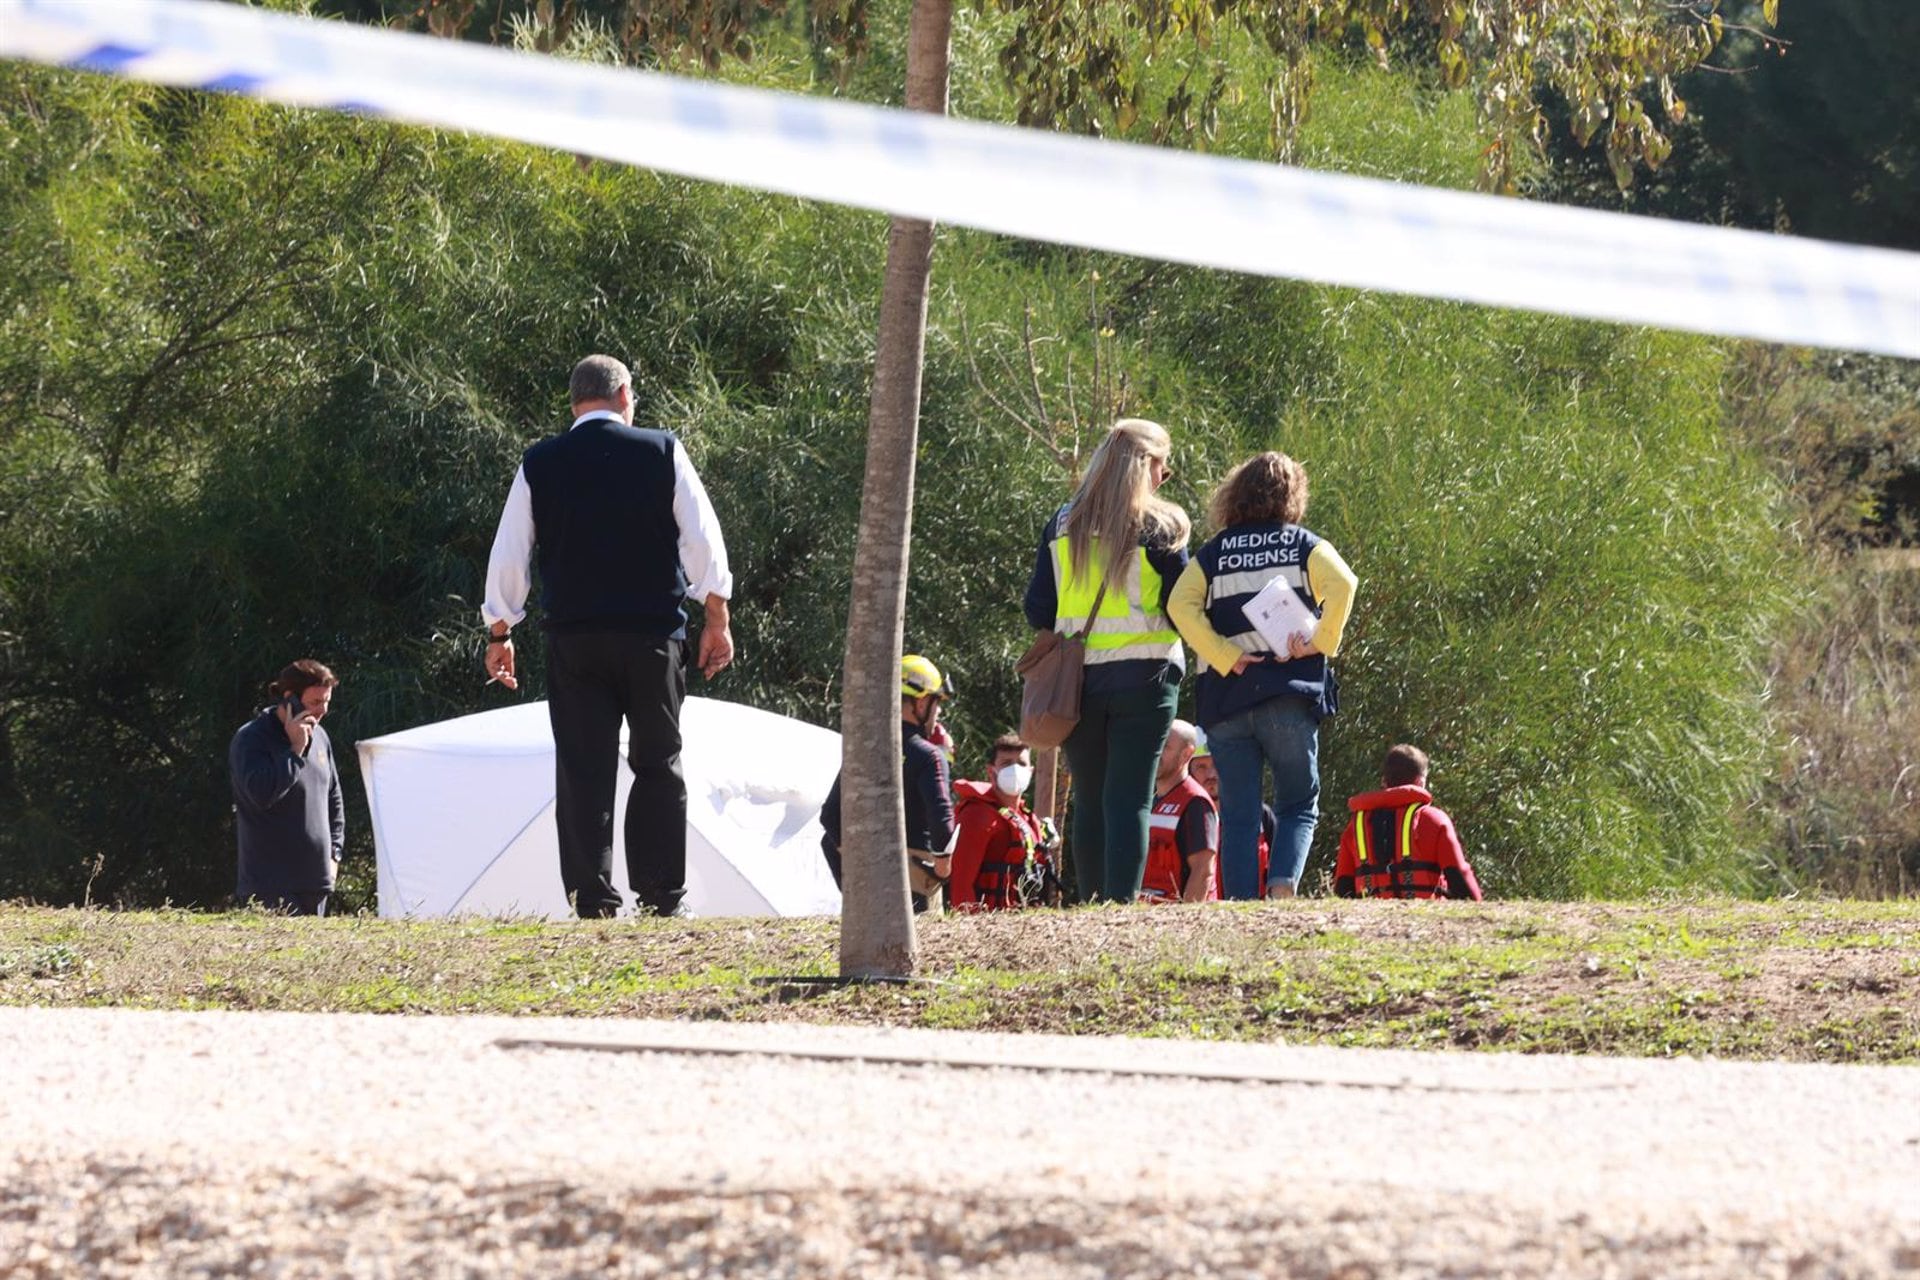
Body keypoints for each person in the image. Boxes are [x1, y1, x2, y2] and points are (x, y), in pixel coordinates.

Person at [481, 353, 734, 919]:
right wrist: (716, 618)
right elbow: (701, 539)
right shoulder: (661, 449)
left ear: (575, 403)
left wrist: (501, 631)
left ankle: (591, 896)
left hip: (576, 639)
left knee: (582, 766)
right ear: (626, 396)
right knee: (659, 760)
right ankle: (661, 894)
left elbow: (510, 553)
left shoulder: (540, 462)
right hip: (651, 636)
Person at [1169, 452, 1356, 900]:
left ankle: (1238, 904)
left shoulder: (1214, 553)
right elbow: (1343, 584)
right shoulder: (1304, 544)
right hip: (1287, 694)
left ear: (1235, 494)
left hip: (1227, 698)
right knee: (1297, 803)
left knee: (1237, 814)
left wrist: (1223, 653)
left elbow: (1180, 605)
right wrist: (1321, 641)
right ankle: (1282, 888)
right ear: (1293, 496)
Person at [1023, 418, 1191, 903]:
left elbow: (1039, 609)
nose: (1164, 476)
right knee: (1131, 796)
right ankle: (1121, 904)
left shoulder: (1062, 523)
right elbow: (1183, 606)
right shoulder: (1164, 525)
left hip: (1078, 683)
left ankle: (1089, 902)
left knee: (1092, 798)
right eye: (1162, 466)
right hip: (1147, 676)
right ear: (1147, 465)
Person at [819, 655, 957, 914]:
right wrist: (942, 868)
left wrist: (863, 867)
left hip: (867, 881)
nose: (937, 713)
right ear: (922, 701)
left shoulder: (863, 749)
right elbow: (941, 821)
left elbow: (830, 816)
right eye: (936, 703)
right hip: (918, 876)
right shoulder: (929, 756)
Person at [229, 659, 344, 916]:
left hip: (316, 882)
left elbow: (334, 798)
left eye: (326, 702)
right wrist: (295, 750)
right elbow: (262, 794)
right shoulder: (251, 739)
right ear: (289, 698)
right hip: (270, 885)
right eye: (315, 703)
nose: (322, 711)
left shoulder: (321, 736)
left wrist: (335, 853)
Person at [1335, 744, 1483, 900]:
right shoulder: (1434, 819)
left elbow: (1343, 888)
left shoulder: (1356, 826)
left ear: (1384, 782)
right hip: (1427, 919)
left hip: (1368, 920)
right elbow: (1461, 882)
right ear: (1420, 782)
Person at [949, 733, 1055, 911]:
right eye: (1006, 763)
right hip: (989, 924)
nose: (1015, 770)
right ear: (991, 771)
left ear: (1031, 771)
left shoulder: (1028, 819)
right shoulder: (977, 815)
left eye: (1021, 764)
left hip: (1024, 922)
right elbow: (961, 883)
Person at [1140, 719, 1219, 903]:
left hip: (1177, 922)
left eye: (1165, 746)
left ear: (1186, 754)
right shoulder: (1151, 801)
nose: (1156, 752)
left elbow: (1203, 871)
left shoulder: (1195, 803)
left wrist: (1184, 922)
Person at [1188, 730, 1272, 891]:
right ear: (1190, 771)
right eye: (1201, 767)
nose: (1211, 774)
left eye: (1217, 765)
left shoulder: (1260, 815)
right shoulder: (1183, 818)